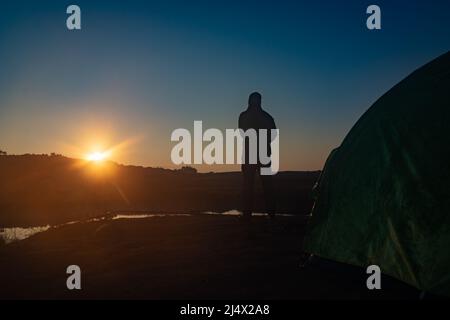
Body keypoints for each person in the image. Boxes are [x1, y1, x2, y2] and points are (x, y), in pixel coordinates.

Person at [238, 92, 277, 218]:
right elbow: (273, 134)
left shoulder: (244, 116)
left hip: (251, 154)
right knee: (267, 186)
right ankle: (271, 214)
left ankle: (247, 215)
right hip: (262, 153)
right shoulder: (267, 117)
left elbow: (241, 132)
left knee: (249, 186)